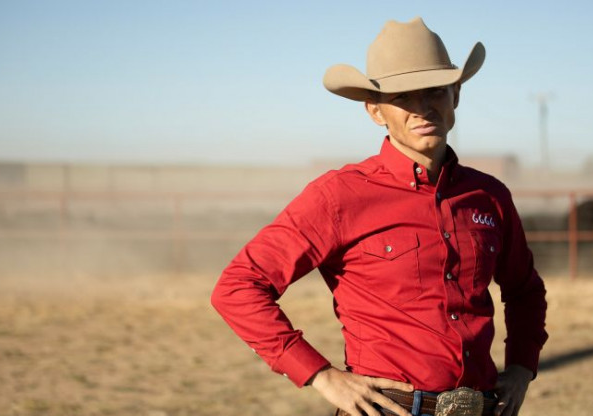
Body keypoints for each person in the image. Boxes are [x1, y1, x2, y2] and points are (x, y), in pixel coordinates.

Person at [211, 17, 548, 416]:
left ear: (455, 95)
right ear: (374, 111)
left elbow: (524, 290)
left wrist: (522, 367)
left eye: (435, 90)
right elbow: (238, 287)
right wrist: (320, 375)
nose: (423, 108)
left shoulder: (489, 196)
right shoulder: (339, 196)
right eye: (403, 97)